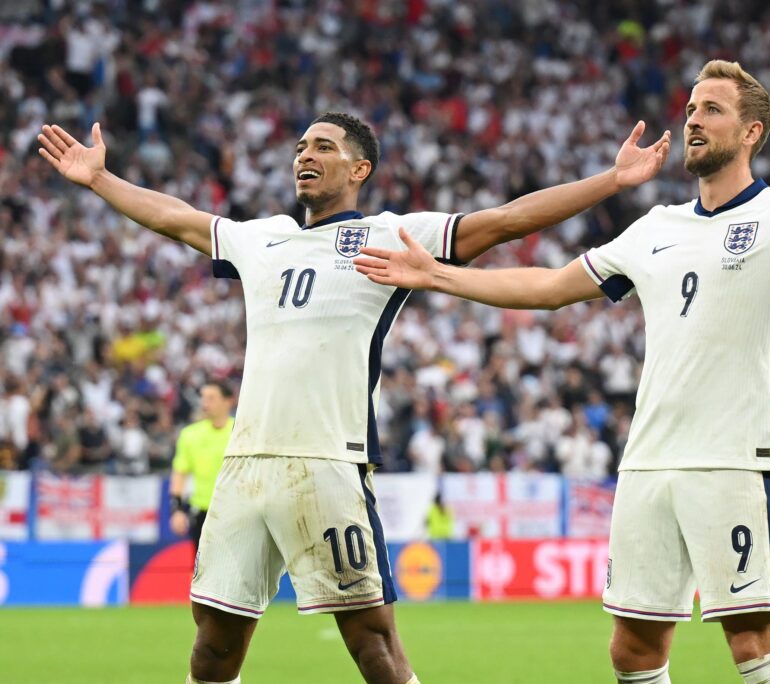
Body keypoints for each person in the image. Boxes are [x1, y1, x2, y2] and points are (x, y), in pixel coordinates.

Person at [354, 59, 770, 684]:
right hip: (647, 463)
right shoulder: (655, 228)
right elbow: (552, 287)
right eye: (692, 107)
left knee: (753, 640)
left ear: (750, 132)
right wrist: (437, 274)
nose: (693, 119)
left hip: (729, 459)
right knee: (633, 646)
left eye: (713, 109)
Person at [37, 112, 670, 684]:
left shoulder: (391, 235)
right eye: (300, 146)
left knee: (373, 646)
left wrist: (610, 181)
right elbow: (173, 216)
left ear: (359, 168)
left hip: (327, 466)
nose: (303, 156)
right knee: (213, 644)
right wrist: (100, 179)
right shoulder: (264, 238)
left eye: (323, 146)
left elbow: (504, 222)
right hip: (245, 466)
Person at [170, 381, 235, 552]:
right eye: (203, 398)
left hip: (237, 512)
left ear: (228, 401)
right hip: (202, 512)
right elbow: (179, 473)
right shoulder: (189, 434)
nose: (205, 403)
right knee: (202, 571)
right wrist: (176, 509)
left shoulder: (240, 431)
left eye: (211, 398)